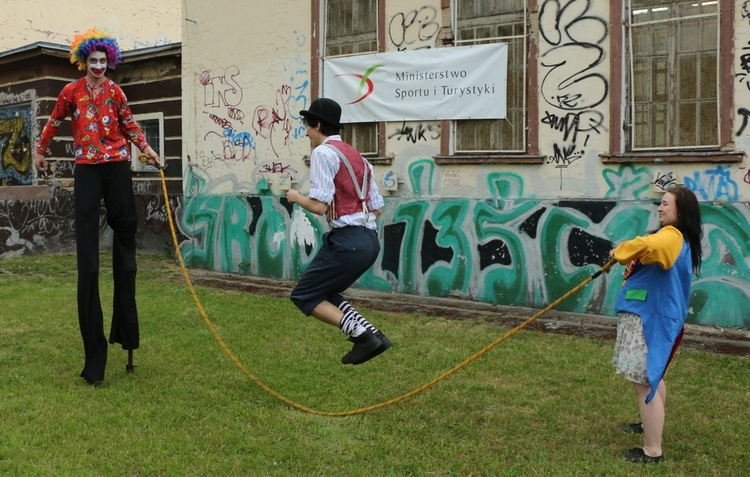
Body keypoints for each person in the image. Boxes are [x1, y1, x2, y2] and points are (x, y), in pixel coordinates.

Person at [33, 29, 160, 385]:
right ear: (83, 61)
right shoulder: (70, 92)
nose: (99, 66)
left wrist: (148, 151)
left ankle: (127, 336)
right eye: (93, 61)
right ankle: (94, 360)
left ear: (110, 61)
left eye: (104, 61)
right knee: (88, 263)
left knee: (126, 252)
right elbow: (54, 121)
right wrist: (39, 151)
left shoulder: (116, 92)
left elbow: (131, 126)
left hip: (117, 165)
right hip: (87, 168)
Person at [286, 97, 391, 365]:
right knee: (324, 292)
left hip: (347, 242)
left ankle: (363, 336)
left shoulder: (323, 153)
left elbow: (320, 207)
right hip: (368, 241)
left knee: (303, 295)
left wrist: (296, 196)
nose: (306, 132)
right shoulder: (359, 158)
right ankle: (372, 333)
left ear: (318, 124)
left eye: (307, 126)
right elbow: (376, 209)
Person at [609, 185, 703, 463]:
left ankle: (652, 450)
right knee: (652, 375)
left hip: (651, 317)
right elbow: (653, 253)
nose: (659, 208)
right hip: (649, 313)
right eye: (660, 204)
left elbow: (650, 245)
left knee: (645, 382)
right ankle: (650, 423)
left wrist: (620, 252)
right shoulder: (674, 238)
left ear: (680, 211)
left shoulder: (671, 235)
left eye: (665, 204)